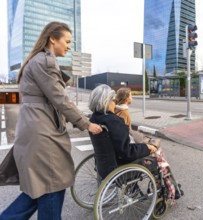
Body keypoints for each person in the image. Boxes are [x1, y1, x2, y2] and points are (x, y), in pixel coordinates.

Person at [0, 21, 102, 219]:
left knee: (38, 190)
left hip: (36, 129)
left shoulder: (37, 60)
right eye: (67, 41)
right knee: (52, 185)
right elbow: (61, 99)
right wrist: (86, 123)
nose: (69, 46)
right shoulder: (45, 62)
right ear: (52, 38)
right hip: (43, 135)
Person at [88, 84, 158, 179]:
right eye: (113, 100)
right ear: (106, 102)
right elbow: (126, 152)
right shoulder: (113, 121)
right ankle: (168, 188)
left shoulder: (93, 119)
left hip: (103, 166)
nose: (115, 103)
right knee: (157, 155)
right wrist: (147, 148)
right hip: (117, 168)